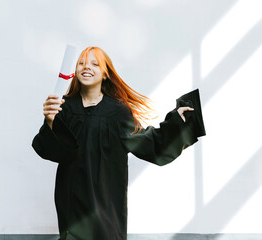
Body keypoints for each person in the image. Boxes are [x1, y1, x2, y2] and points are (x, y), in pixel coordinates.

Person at [32, 46, 206, 240]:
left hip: (106, 201)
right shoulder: (64, 107)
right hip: (72, 200)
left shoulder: (117, 112)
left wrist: (177, 123)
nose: (86, 67)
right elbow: (53, 150)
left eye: (94, 64)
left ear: (105, 73)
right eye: (81, 63)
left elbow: (148, 142)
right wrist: (50, 121)